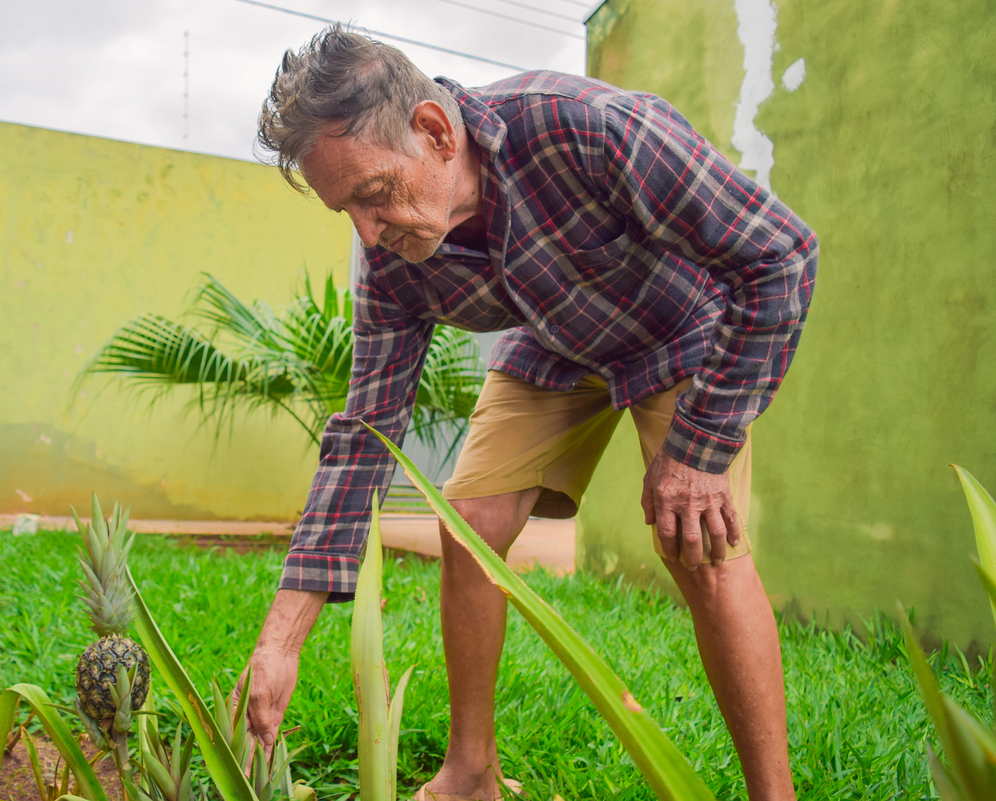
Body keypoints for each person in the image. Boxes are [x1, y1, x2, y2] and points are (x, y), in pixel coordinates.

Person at [239, 24, 817, 801]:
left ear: (437, 132)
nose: (368, 233)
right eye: (348, 210)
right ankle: (470, 772)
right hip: (553, 338)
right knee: (467, 520)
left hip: (678, 328)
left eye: (374, 195)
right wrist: (282, 639)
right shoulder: (392, 256)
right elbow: (366, 430)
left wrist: (702, 450)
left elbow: (780, 253)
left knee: (699, 545)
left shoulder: (593, 130)